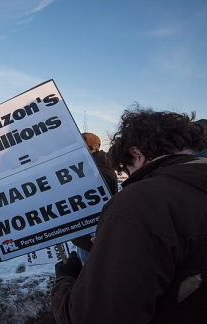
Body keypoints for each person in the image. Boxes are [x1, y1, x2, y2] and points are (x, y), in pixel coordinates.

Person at [51, 108, 207, 324]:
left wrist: (65, 281)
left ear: (137, 154)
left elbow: (96, 316)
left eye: (127, 169)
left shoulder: (143, 200)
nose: (131, 177)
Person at [71, 132, 118, 265]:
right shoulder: (98, 167)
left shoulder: (97, 172)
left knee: (91, 277)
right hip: (90, 238)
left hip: (92, 240)